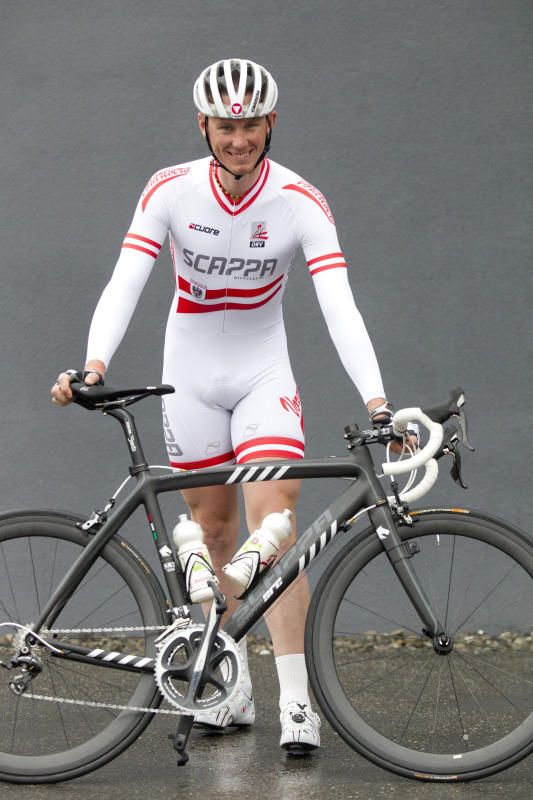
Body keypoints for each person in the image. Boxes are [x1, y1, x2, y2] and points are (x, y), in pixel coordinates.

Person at [51, 58, 400, 754]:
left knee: (274, 532)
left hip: (262, 369)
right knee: (212, 535)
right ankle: (228, 682)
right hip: (189, 372)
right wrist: (94, 365)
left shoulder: (300, 200)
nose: (238, 140)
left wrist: (377, 400)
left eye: (250, 126)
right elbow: (126, 280)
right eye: (224, 127)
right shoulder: (170, 190)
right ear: (203, 126)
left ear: (270, 123)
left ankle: (297, 701)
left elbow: (340, 307)